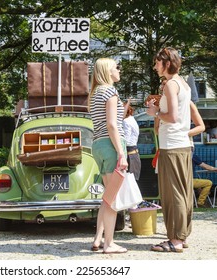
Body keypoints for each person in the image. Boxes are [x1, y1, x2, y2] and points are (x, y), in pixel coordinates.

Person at [146, 47, 192, 253]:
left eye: (157, 62)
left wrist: (155, 112)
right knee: (182, 192)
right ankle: (181, 236)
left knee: (173, 194)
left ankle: (175, 240)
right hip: (180, 144)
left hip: (171, 146)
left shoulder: (170, 85)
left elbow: (172, 117)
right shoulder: (182, 83)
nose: (155, 66)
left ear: (166, 63)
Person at [89, 58, 128, 254]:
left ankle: (98, 238)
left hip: (98, 145)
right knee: (112, 199)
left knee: (107, 197)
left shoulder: (95, 92)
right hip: (112, 145)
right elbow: (113, 125)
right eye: (116, 67)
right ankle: (109, 243)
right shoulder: (110, 92)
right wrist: (121, 152)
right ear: (107, 71)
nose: (119, 70)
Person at [123, 99, 141, 180]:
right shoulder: (132, 119)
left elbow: (125, 140)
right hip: (134, 153)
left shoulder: (126, 121)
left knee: (128, 180)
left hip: (129, 153)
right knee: (133, 181)